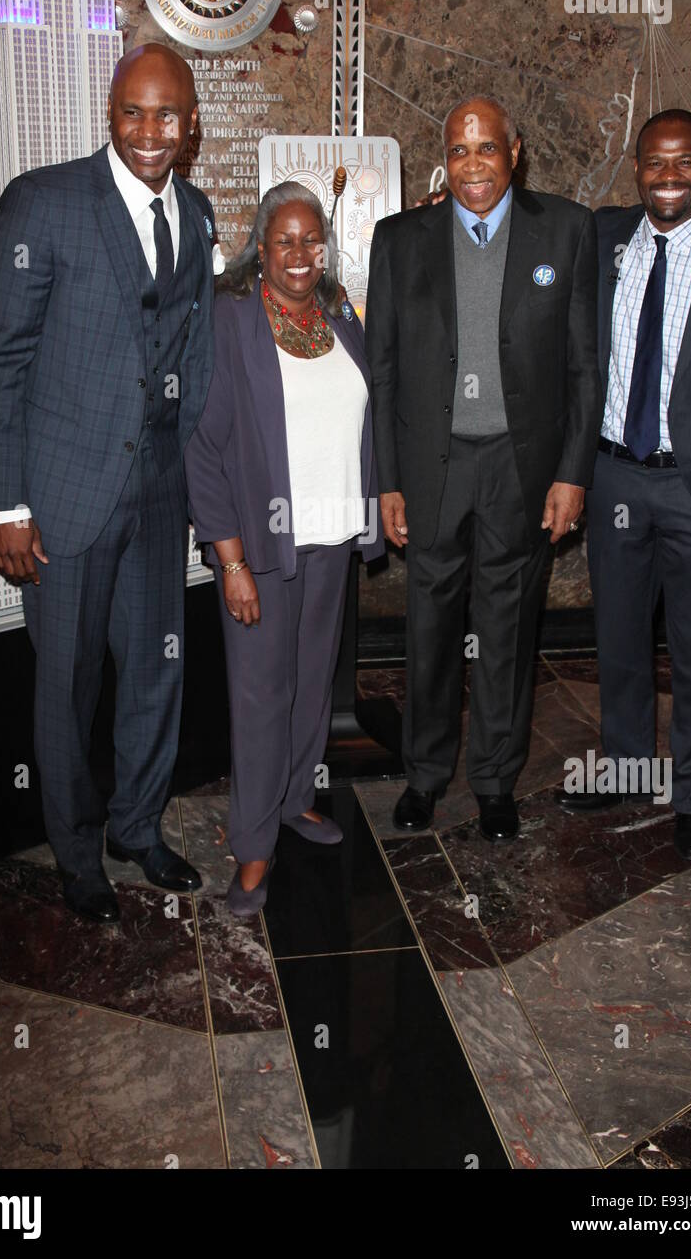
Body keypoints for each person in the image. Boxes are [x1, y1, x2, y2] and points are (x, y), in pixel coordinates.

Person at [0, 44, 216, 923]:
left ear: (192, 124)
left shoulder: (197, 212)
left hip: (157, 492)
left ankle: (136, 828)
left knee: (157, 670)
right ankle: (78, 858)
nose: (149, 132)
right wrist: (6, 504)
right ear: (108, 115)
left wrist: (189, 475)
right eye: (132, 113)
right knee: (67, 685)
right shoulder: (45, 201)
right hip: (64, 498)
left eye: (167, 116)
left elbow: (191, 352)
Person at [365, 95, 601, 839]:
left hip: (519, 465)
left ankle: (496, 780)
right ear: (447, 157)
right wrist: (388, 479)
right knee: (430, 626)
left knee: (508, 624)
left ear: (515, 151)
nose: (473, 165)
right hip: (432, 467)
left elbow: (584, 367)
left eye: (487, 149)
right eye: (459, 150)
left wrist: (573, 473)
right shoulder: (400, 238)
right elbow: (384, 368)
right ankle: (426, 777)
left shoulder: (565, 230)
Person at [557, 109, 691, 861]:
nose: (668, 177)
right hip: (613, 476)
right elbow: (528, 228)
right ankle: (630, 764)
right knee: (619, 636)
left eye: (685, 162)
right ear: (636, 168)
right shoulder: (605, 240)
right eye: (654, 163)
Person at [184, 182, 384, 916]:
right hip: (263, 546)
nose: (300, 254)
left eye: (311, 240)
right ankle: (253, 844)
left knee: (309, 684)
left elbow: (364, 411)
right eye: (284, 241)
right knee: (261, 695)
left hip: (330, 538)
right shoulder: (231, 321)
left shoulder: (338, 315)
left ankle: (297, 798)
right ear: (260, 248)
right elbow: (204, 451)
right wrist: (230, 561)